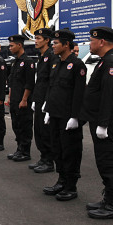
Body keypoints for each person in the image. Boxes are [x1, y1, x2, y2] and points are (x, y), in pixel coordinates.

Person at [82, 27, 113, 219]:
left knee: (109, 163)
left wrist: (103, 123)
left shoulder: (112, 62)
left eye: (92, 41)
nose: (89, 44)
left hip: (108, 123)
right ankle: (108, 199)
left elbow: (109, 94)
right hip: (101, 120)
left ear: (101, 42)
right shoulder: (105, 61)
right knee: (103, 162)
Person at [42, 29, 86, 201]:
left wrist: (75, 117)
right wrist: (48, 109)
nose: (53, 46)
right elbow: (52, 87)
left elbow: (79, 94)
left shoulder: (77, 65)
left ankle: (71, 186)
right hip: (55, 114)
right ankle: (61, 180)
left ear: (66, 45)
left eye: (56, 43)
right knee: (57, 149)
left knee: (70, 151)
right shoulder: (56, 63)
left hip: (69, 117)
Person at [30, 28, 57, 173]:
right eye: (35, 38)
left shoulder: (51, 56)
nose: (36, 41)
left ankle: (49, 161)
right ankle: (43, 157)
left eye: (39, 38)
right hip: (39, 98)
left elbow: (51, 81)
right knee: (39, 130)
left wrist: (47, 100)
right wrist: (35, 99)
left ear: (47, 40)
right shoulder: (42, 56)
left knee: (46, 132)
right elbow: (39, 81)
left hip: (46, 99)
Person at [6, 34, 35, 162]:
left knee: (24, 127)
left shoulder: (28, 62)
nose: (10, 48)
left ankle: (25, 152)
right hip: (14, 100)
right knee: (16, 126)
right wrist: (10, 98)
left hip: (23, 101)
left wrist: (24, 100)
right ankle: (19, 149)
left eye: (12, 46)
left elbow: (29, 84)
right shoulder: (15, 62)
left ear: (19, 45)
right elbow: (12, 83)